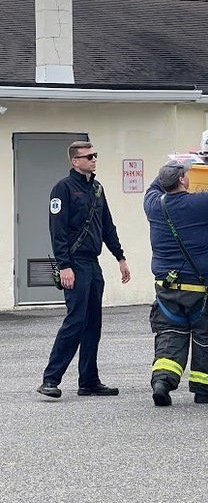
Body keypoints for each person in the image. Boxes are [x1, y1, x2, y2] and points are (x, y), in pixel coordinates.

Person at [143, 156, 208, 407]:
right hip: (201, 290)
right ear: (182, 179)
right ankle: (205, 389)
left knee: (169, 334)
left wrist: (172, 162)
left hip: (166, 290)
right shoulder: (200, 203)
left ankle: (162, 382)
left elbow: (155, 185)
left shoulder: (153, 204)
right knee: (207, 336)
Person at [38, 141, 131, 399]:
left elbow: (107, 226)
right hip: (75, 263)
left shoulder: (97, 190)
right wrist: (64, 265)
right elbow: (57, 231)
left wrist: (120, 257)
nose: (93, 160)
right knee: (75, 321)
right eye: (88, 156)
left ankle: (89, 380)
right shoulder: (63, 189)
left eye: (95, 155)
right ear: (74, 161)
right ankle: (50, 379)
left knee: (93, 324)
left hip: (93, 263)